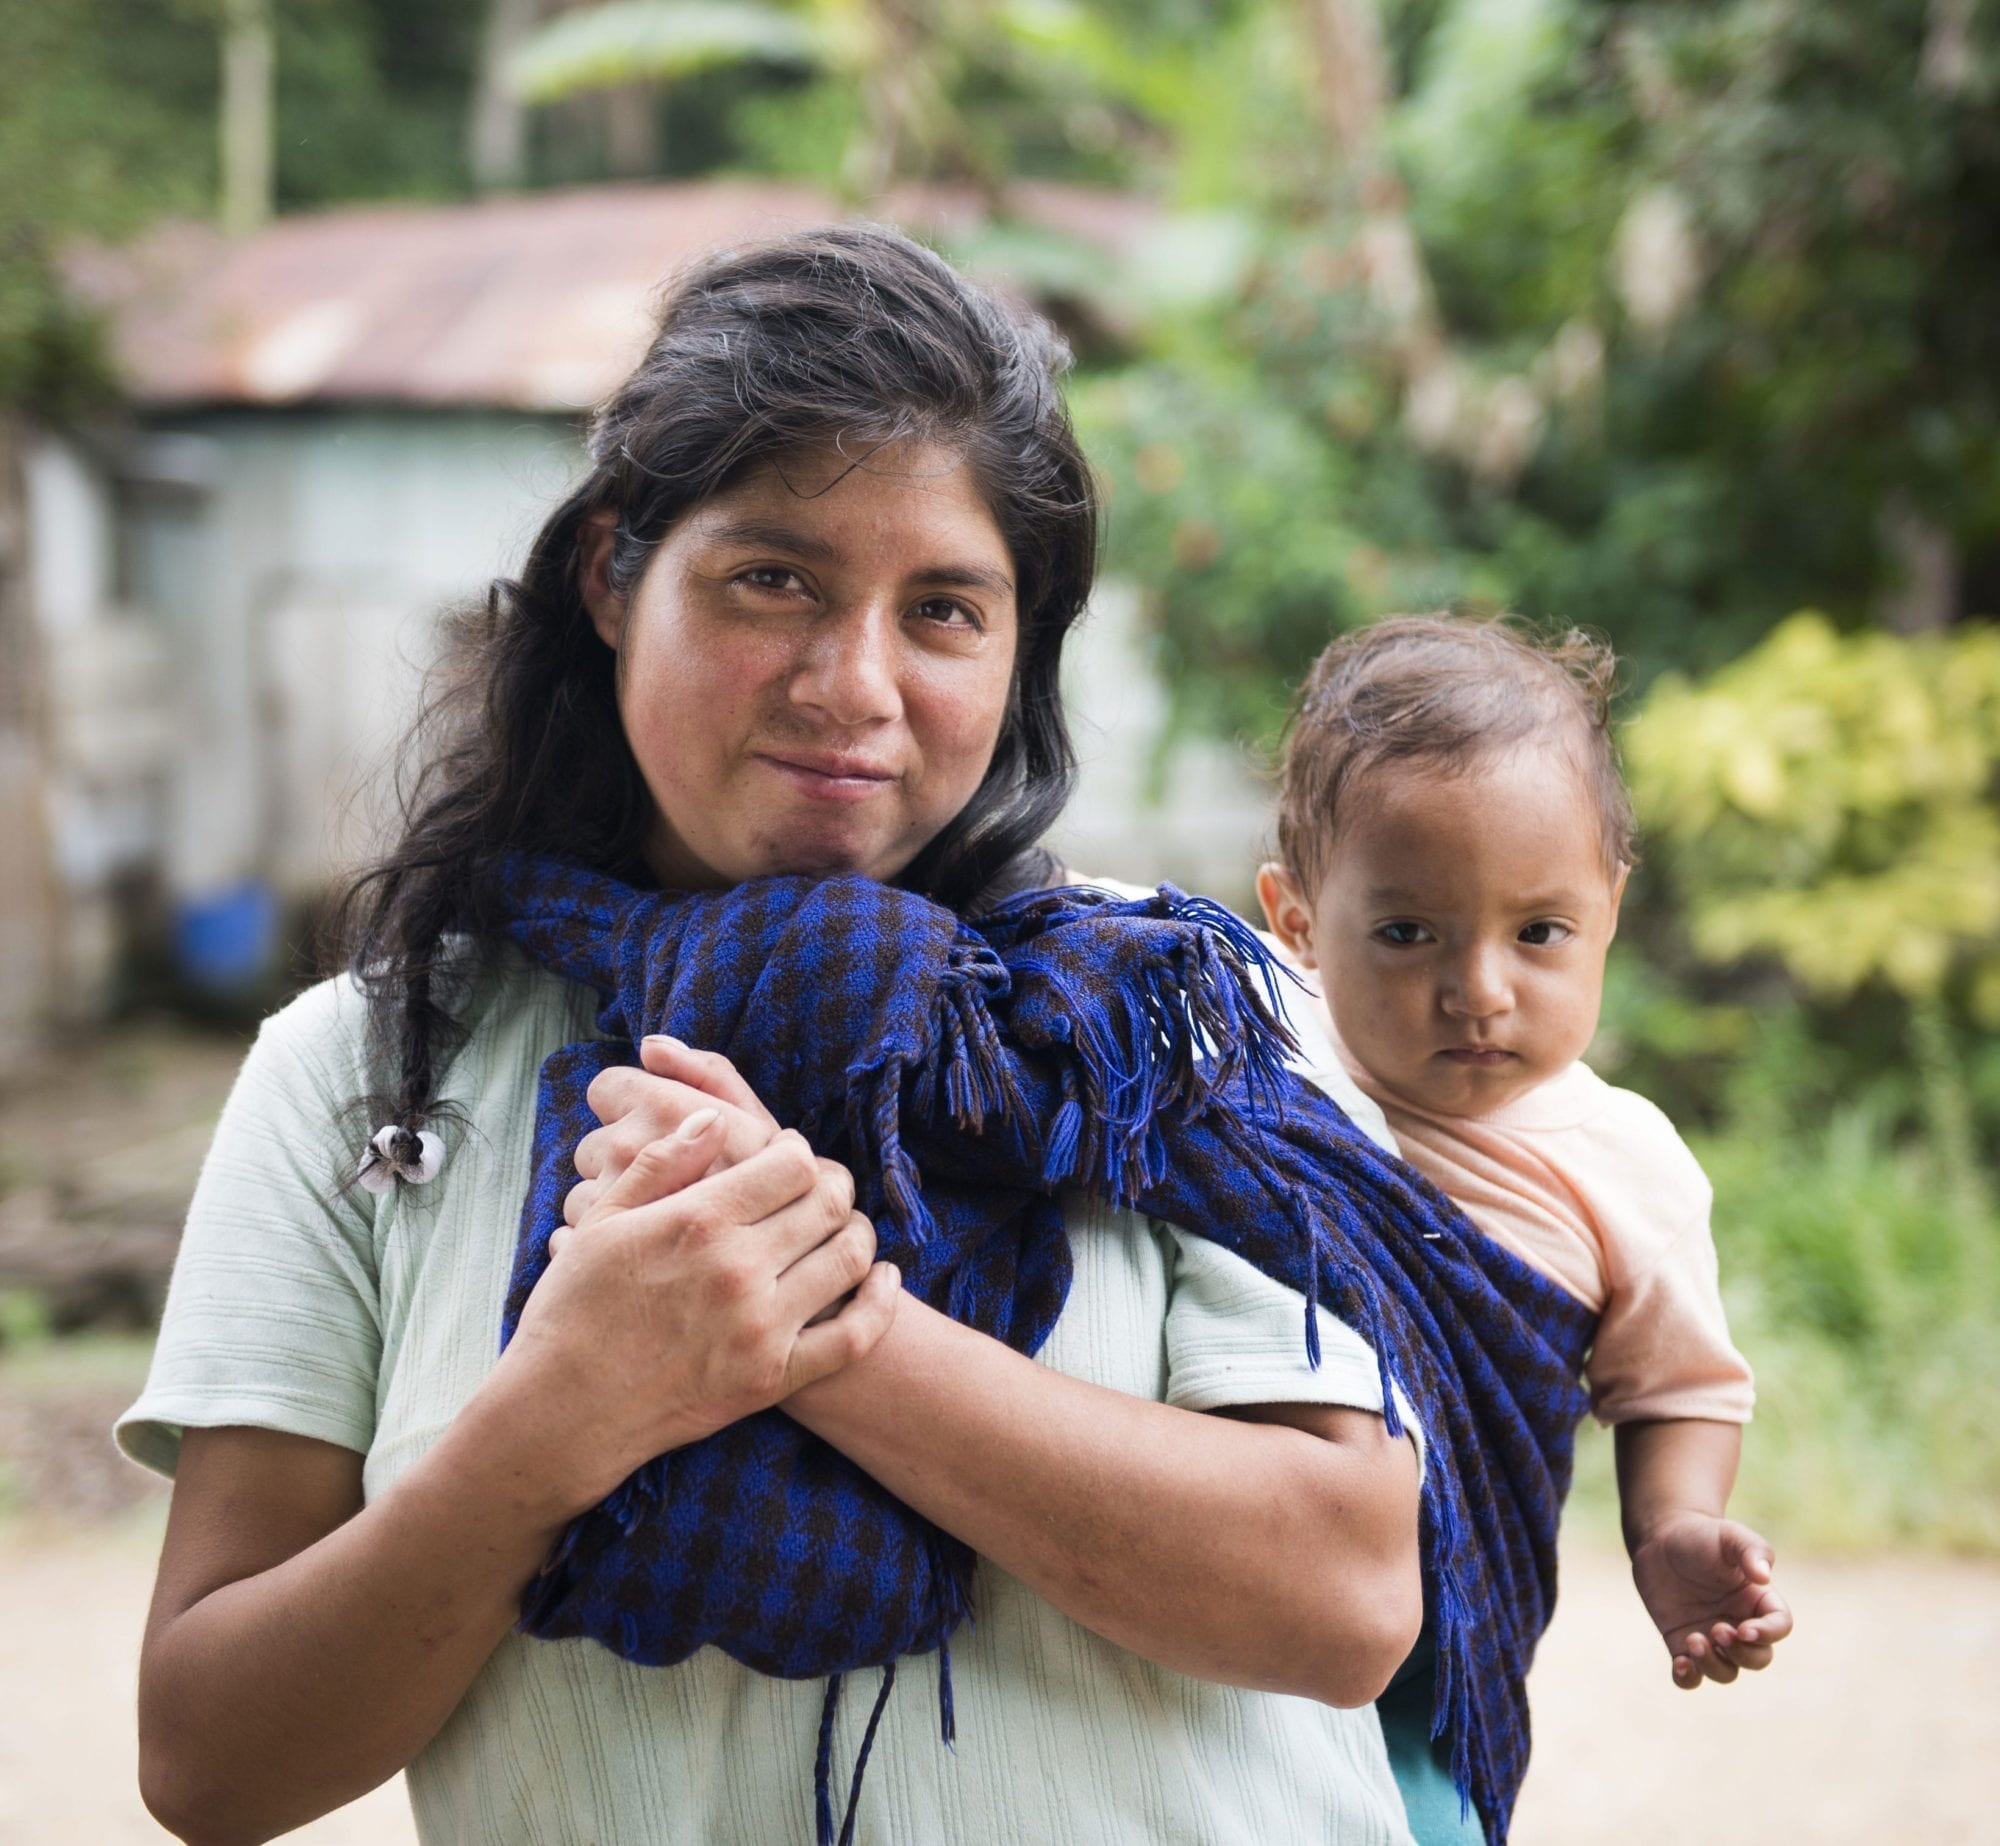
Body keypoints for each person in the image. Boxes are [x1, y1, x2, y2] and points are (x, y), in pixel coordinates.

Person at [117, 226, 1437, 1846]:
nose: (851, 681)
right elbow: (209, 1760)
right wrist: (555, 1419)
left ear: (1021, 647)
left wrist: (833, 1331)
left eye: (944, 609)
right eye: (775, 579)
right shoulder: (362, 1073)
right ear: (613, 574)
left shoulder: (1168, 1022)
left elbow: (1348, 1590)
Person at [1255, 614, 1796, 1843]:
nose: (1478, 989)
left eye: (1536, 931)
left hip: (1434, 1650)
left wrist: (1669, 1526)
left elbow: (1677, 1382)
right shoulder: (1262, 1061)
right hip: (1235, 1569)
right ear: (1293, 919)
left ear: (1606, 907)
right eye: (1406, 934)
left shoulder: (1625, 1164)